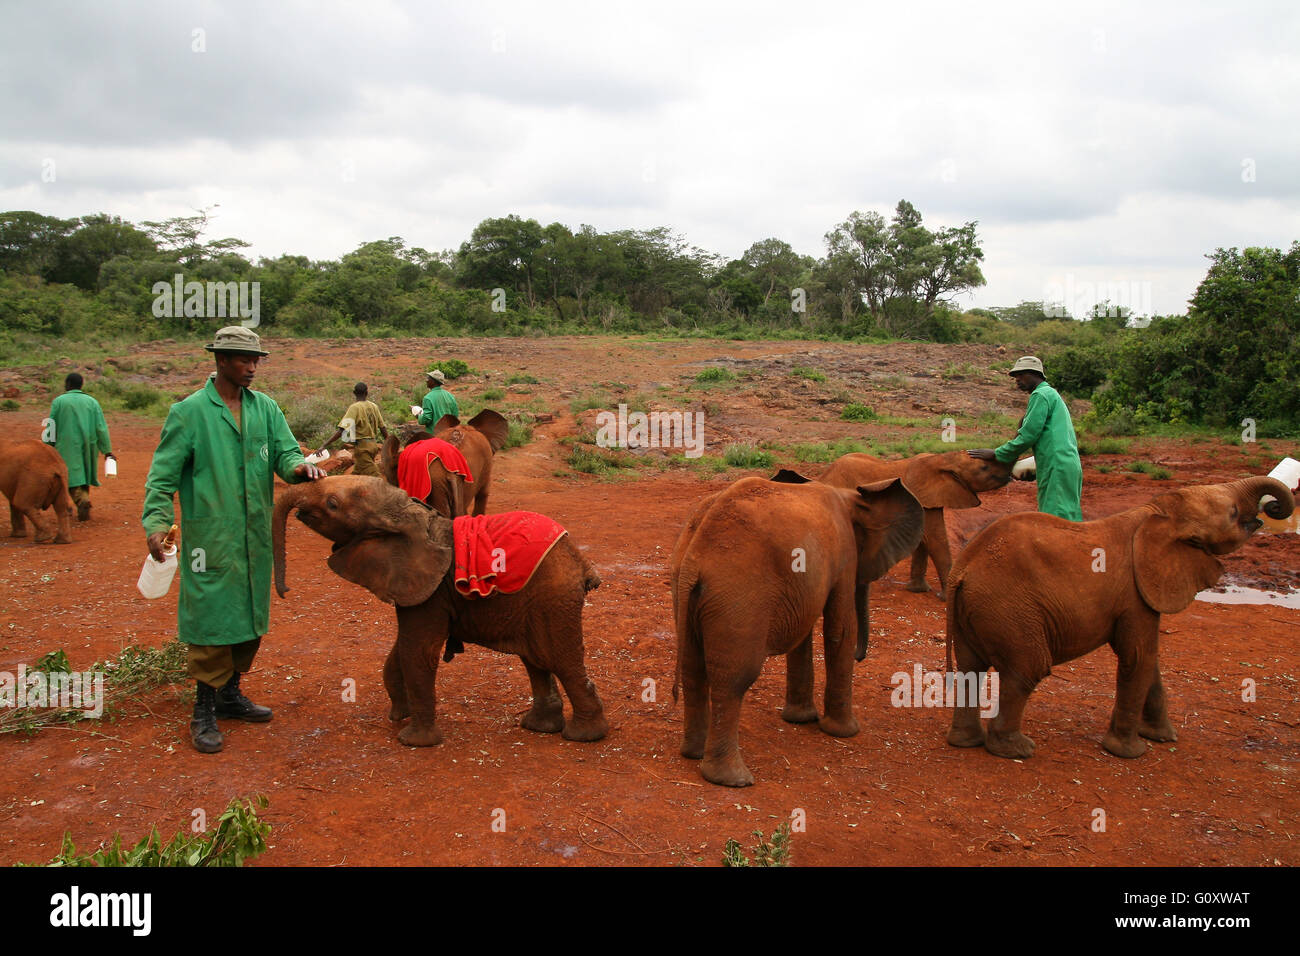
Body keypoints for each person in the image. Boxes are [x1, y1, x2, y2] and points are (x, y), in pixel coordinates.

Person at [142, 327, 324, 754]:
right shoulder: (188, 413)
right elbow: (161, 479)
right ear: (221, 360)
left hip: (254, 534)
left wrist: (300, 468)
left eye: (256, 360)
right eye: (244, 360)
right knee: (210, 620)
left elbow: (284, 454)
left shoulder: (266, 409)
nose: (252, 367)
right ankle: (203, 710)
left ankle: (229, 696)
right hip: (211, 539)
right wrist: (156, 523)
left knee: (248, 614)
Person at [969, 355, 1083, 522]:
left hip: (1056, 464)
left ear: (1034, 374)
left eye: (1021, 375)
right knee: (1068, 514)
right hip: (1064, 463)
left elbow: (1028, 436)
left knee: (1057, 520)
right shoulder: (1050, 394)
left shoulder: (1041, 395)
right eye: (1016, 376)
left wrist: (996, 453)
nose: (1017, 380)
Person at [46, 372, 115, 521]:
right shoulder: (92, 402)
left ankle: (80, 502)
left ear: (68, 384)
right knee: (83, 475)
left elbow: (51, 425)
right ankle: (81, 502)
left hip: (66, 445)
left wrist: (47, 446)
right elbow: (101, 428)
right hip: (89, 444)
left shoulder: (59, 401)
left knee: (69, 476)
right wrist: (107, 451)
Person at [314, 382, 388, 477]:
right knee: (356, 475)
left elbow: (342, 430)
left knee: (374, 476)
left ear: (354, 393)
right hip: (373, 445)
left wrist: (324, 445)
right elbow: (382, 427)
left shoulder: (355, 408)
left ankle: (385, 490)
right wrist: (389, 443)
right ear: (366, 393)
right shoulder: (374, 406)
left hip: (363, 448)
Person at [419, 368, 459, 434]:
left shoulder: (428, 398)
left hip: (434, 436)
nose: (426, 380)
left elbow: (426, 420)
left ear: (433, 381)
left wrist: (418, 416)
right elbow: (455, 416)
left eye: (428, 378)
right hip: (448, 436)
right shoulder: (450, 396)